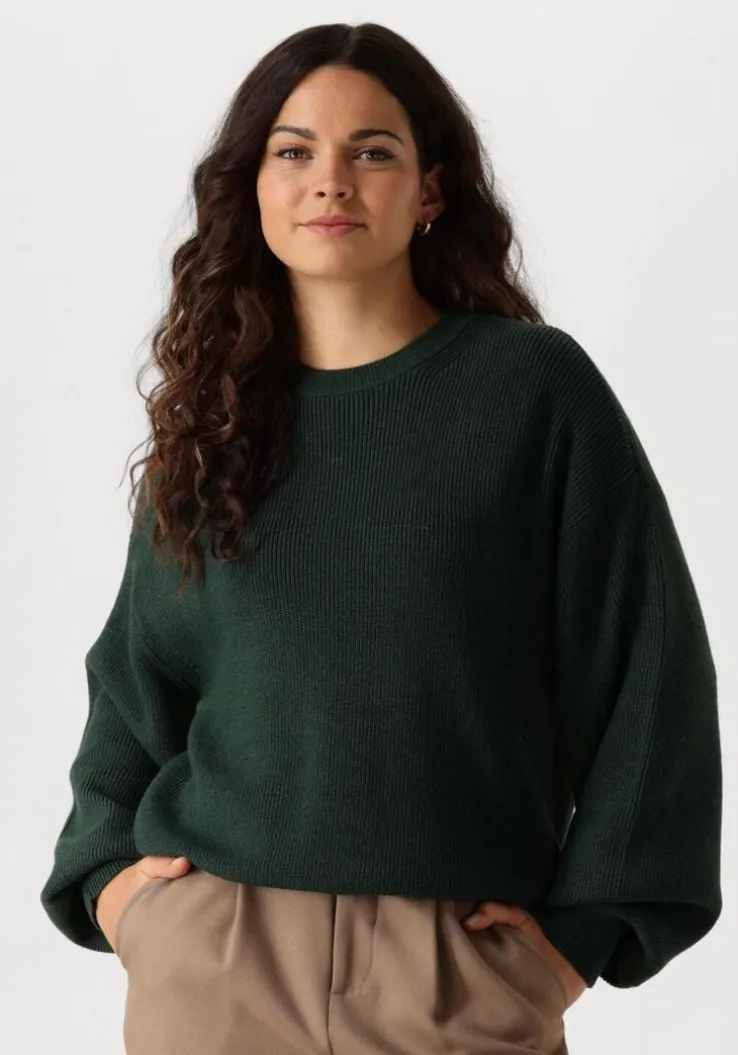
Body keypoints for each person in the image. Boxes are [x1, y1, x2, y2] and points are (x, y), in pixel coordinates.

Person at [40, 20, 722, 1055]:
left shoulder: (531, 394)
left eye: (372, 151)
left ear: (429, 190)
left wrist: (583, 937)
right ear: (254, 187)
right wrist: (115, 887)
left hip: (455, 971)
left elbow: (650, 668)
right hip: (216, 964)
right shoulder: (214, 420)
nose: (330, 180)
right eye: (293, 150)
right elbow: (134, 683)